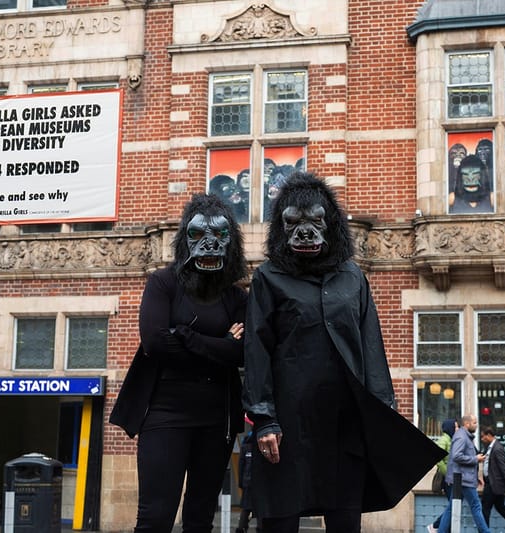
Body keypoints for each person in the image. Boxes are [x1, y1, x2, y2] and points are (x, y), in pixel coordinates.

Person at [243, 172, 444, 533]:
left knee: (345, 521)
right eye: (293, 224)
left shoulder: (353, 278)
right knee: (280, 520)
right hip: (289, 423)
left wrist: (382, 411)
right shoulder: (267, 278)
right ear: (281, 228)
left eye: (315, 222)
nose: (304, 232)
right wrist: (264, 419)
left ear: (330, 224)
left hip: (345, 423)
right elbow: (256, 351)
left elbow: (371, 346)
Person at [109, 193, 248, 533]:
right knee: (156, 516)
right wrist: (221, 345)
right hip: (164, 411)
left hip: (217, 417)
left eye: (220, 235)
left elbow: (243, 353)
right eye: (199, 235)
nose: (210, 244)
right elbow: (155, 343)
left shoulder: (237, 296)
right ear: (185, 237)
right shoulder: (163, 282)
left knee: (200, 518)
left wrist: (188, 337)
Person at [437, 414, 491, 533]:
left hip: (463, 478)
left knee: (451, 508)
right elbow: (457, 456)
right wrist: (475, 459)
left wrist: (476, 476)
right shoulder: (462, 437)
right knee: (476, 506)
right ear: (467, 424)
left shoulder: (465, 436)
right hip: (463, 480)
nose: (477, 425)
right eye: (474, 423)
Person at [428, 419, 458, 533]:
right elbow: (438, 459)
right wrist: (448, 473)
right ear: (450, 428)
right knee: (452, 506)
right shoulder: (444, 440)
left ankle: (441, 528)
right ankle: (436, 526)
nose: (457, 429)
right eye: (455, 427)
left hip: (452, 478)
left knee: (453, 506)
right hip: (447, 480)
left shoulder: (451, 439)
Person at [236, 417, 259, 533]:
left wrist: (241, 483)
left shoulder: (245, 446)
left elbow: (241, 467)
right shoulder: (261, 445)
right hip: (257, 483)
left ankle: (241, 529)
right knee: (261, 509)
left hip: (248, 483)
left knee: (246, 509)